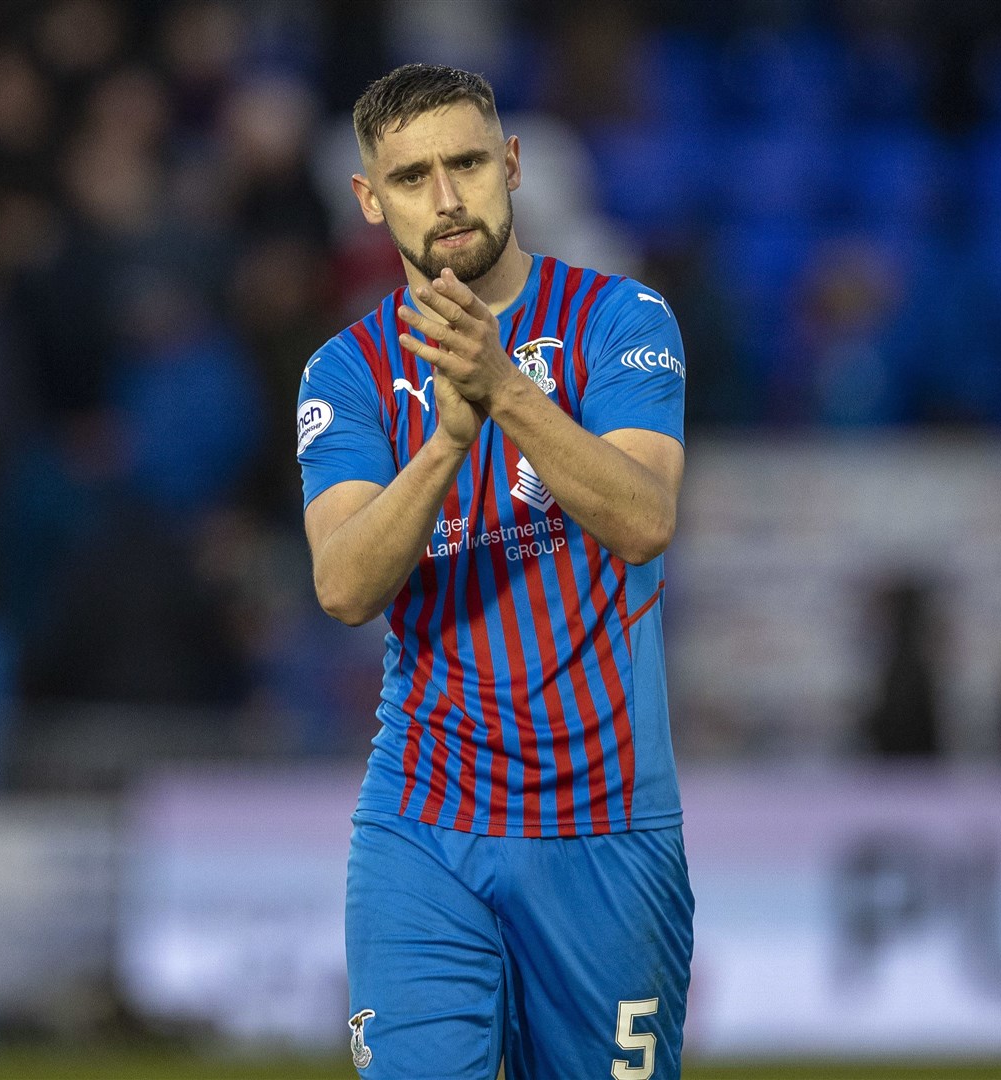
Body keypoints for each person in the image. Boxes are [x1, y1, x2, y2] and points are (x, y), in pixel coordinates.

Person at [296, 65, 694, 1079]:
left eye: (467, 162)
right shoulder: (346, 373)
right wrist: (440, 447)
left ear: (511, 165)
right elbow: (343, 588)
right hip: (423, 824)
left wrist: (505, 390)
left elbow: (644, 520)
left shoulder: (620, 321)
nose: (446, 197)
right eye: (412, 174)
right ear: (368, 200)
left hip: (603, 825)